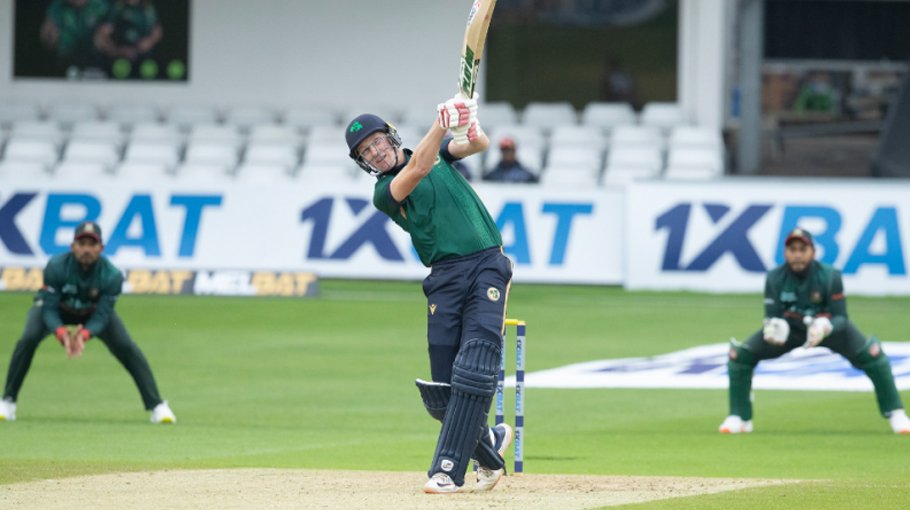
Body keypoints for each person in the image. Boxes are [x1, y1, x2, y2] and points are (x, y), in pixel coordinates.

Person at [344, 96, 514, 494]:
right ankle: (488, 450)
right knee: (442, 393)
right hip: (444, 278)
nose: (375, 153)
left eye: (377, 142)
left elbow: (476, 144)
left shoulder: (436, 150)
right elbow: (418, 166)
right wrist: (441, 121)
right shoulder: (384, 192)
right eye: (366, 152)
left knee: (474, 361)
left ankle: (447, 471)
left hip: (486, 260)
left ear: (391, 137)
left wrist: (466, 125)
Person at [719, 227, 910, 435]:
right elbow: (771, 315)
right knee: (739, 356)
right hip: (791, 331)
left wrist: (825, 326)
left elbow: (841, 317)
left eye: (803, 249)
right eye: (792, 249)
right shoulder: (774, 277)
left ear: (813, 251)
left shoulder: (830, 276)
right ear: (785, 253)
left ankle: (896, 412)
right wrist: (774, 330)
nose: (797, 254)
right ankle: (739, 416)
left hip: (829, 330)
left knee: (874, 356)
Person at [0, 221, 175, 424]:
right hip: (58, 309)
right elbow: (48, 308)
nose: (86, 250)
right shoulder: (56, 267)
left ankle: (157, 406)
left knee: (127, 347)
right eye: (82, 244)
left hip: (91, 313)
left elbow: (102, 314)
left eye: (92, 245)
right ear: (73, 246)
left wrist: (84, 335)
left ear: (100, 248)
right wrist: (60, 332)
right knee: (28, 339)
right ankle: (8, 401)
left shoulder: (112, 276)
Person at [39, 0, 110, 70]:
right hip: (68, 56)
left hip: (95, 53)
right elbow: (48, 30)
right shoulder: (59, 5)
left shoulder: (99, 4)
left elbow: (109, 25)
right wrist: (49, 35)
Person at [94, 0, 163, 64]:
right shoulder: (117, 8)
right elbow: (102, 35)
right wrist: (118, 51)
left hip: (144, 58)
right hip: (119, 60)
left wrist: (149, 41)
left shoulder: (147, 8)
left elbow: (157, 30)